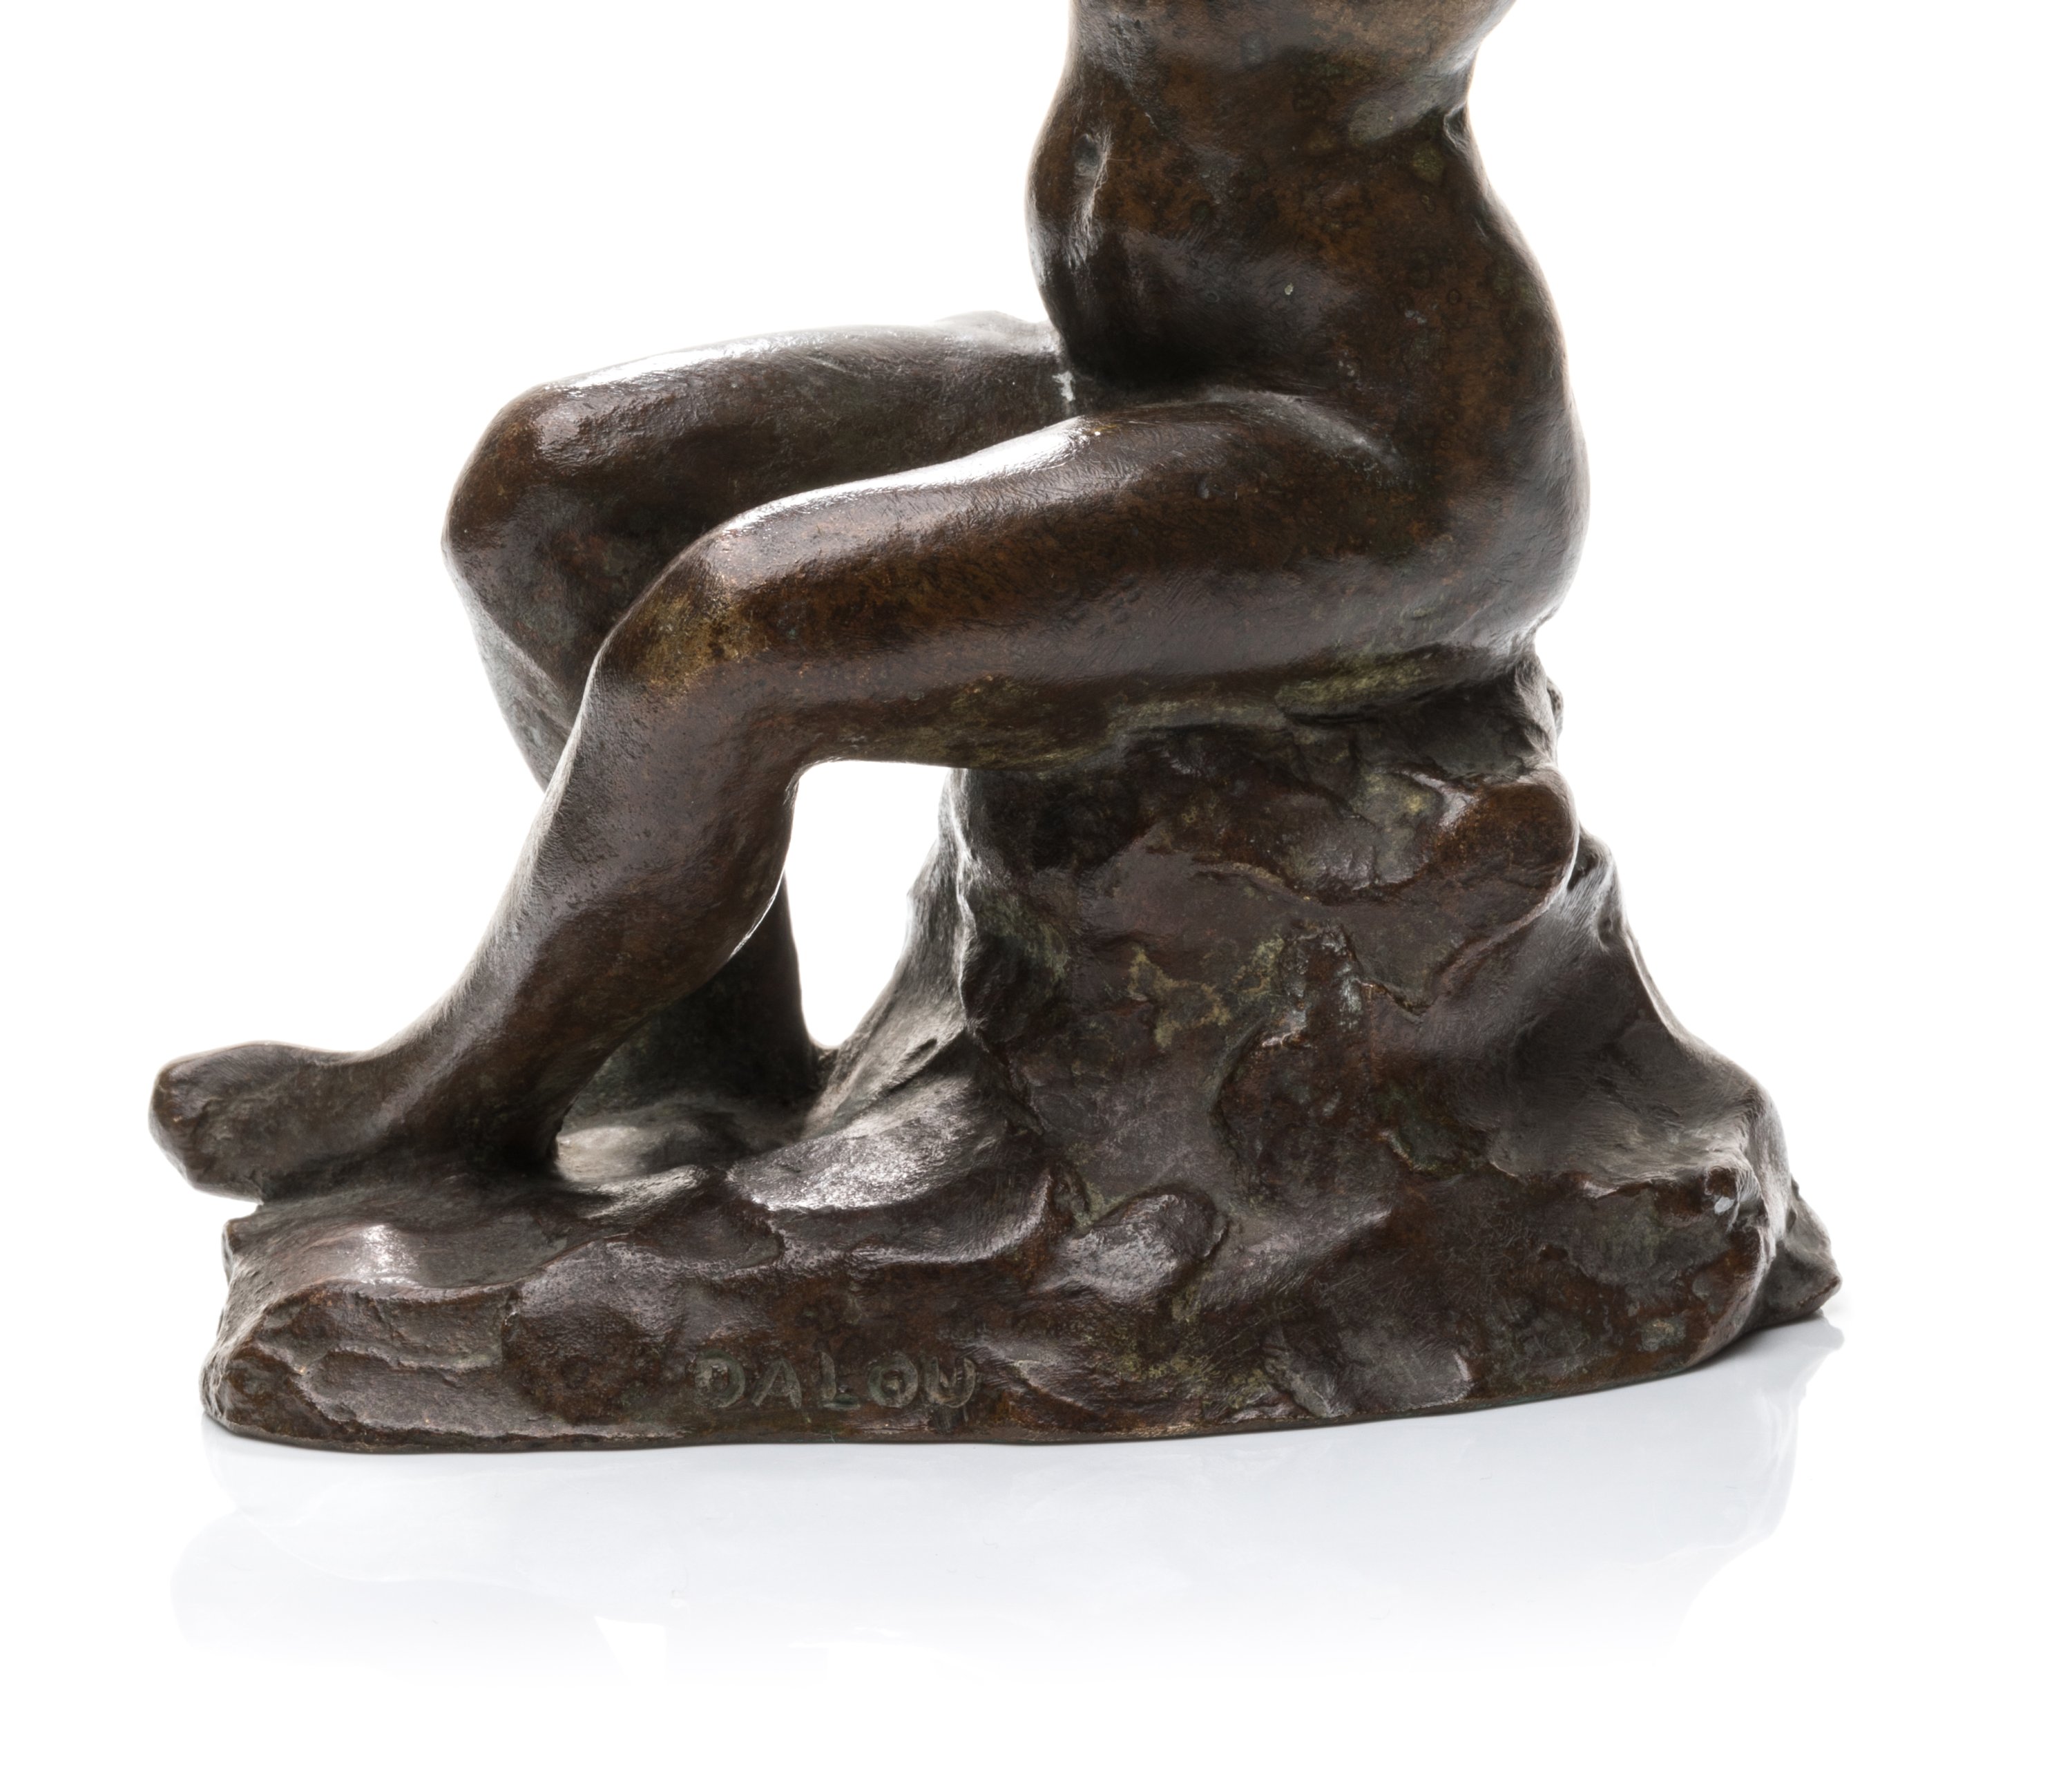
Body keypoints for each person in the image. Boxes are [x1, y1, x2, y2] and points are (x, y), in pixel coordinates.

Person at [151, 0, 1584, 1199]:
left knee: (729, 637)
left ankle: (458, 1092)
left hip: (1373, 457)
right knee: (549, 494)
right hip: (1138, 366)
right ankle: (697, 1059)